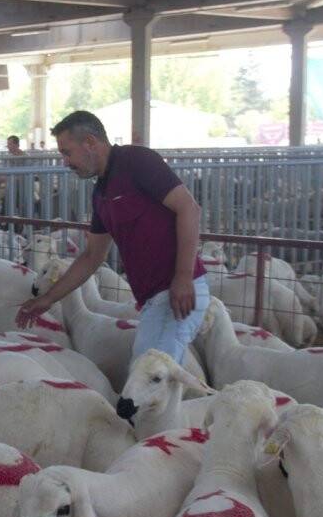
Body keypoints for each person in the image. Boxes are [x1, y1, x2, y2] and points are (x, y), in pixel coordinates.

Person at [16, 110, 208, 365]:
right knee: (147, 380)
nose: (65, 161)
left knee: (149, 379)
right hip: (154, 300)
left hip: (177, 291)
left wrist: (183, 277)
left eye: (67, 152)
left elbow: (189, 208)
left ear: (90, 143)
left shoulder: (137, 161)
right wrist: (48, 299)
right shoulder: (101, 192)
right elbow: (92, 255)